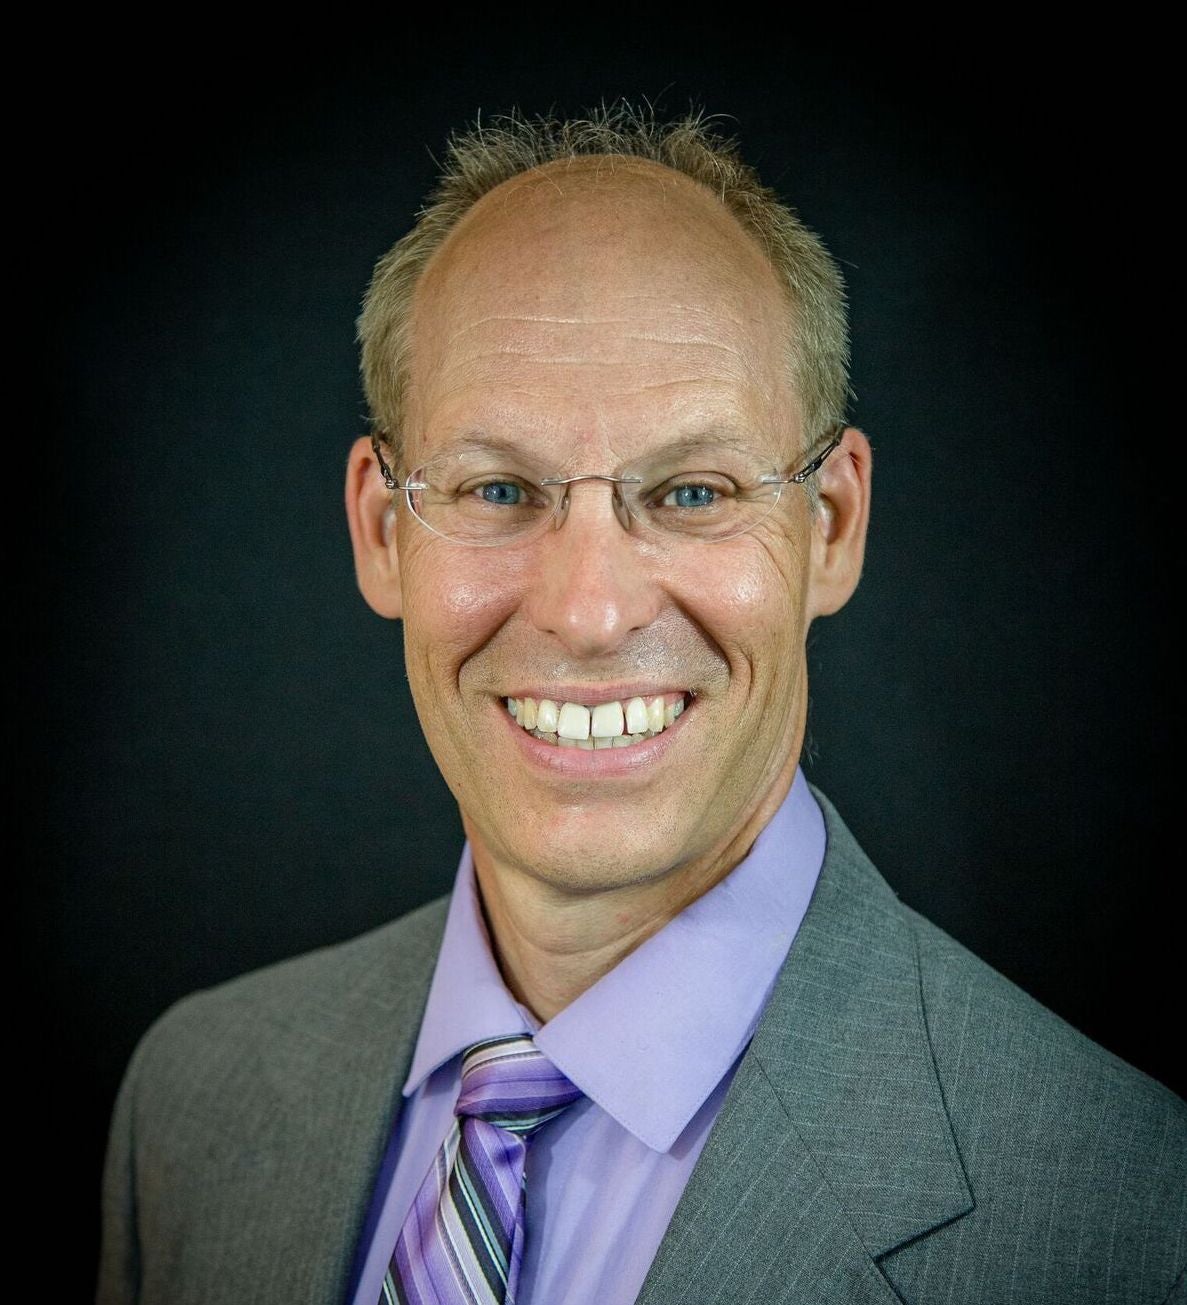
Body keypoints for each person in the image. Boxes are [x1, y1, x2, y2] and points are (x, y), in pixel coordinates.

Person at [96, 106, 1186, 1305]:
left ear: (828, 525)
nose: (589, 610)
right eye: (499, 487)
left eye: (691, 491)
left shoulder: (1125, 1215)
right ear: (378, 529)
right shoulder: (189, 1104)